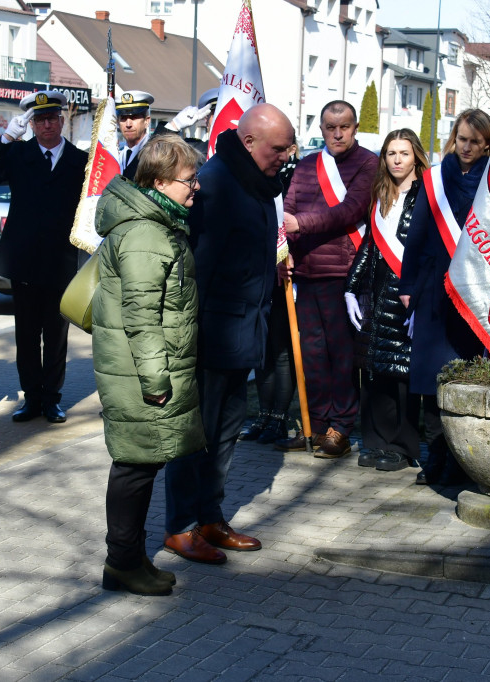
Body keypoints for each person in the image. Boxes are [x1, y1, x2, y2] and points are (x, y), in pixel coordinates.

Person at [163, 103, 295, 565]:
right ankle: (180, 526)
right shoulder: (218, 182)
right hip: (212, 334)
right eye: (279, 148)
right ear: (250, 142)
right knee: (194, 435)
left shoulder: (255, 181)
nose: (286, 155)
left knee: (224, 433)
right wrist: (192, 337)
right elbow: (199, 267)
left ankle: (210, 516)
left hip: (242, 333)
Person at [92, 135, 207, 595]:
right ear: (159, 183)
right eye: (188, 180)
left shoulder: (155, 224)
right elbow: (141, 316)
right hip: (141, 373)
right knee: (134, 467)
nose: (195, 187)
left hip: (141, 368)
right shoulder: (145, 234)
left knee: (139, 465)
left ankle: (130, 558)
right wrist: (157, 380)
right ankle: (121, 563)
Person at [0, 90, 89, 424]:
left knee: (56, 338)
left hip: (60, 263)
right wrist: (9, 136)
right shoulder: (19, 154)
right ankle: (31, 398)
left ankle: (52, 399)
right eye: (39, 120)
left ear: (62, 120)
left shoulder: (79, 160)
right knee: (26, 337)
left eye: (52, 118)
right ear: (32, 124)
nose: (46, 125)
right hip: (24, 262)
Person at [399, 109, 490, 485]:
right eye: (461, 139)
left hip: (477, 290)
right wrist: (408, 286)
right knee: (430, 378)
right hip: (433, 289)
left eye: (475, 140)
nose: (467, 147)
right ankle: (436, 454)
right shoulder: (435, 178)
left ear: (487, 142)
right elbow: (418, 232)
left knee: (465, 376)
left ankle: (462, 459)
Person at [277, 100, 378, 458]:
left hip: (343, 274)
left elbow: (350, 210)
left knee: (342, 355)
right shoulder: (306, 166)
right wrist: (283, 252)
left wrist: (300, 224)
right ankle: (316, 425)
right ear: (321, 130)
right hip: (305, 270)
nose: (337, 133)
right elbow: (288, 208)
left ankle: (341, 427)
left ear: (355, 128)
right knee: (313, 354)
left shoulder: (368, 163)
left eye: (345, 126)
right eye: (330, 127)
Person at [345, 129, 429, 472]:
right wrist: (351, 286)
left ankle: (402, 446)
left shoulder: (425, 194)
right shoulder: (380, 194)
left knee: (401, 374)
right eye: (391, 153)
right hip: (378, 292)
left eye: (403, 153)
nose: (396, 159)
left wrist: (422, 296)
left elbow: (427, 250)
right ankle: (376, 442)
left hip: (407, 293)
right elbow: (370, 246)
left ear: (416, 157)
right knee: (374, 371)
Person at [239, 144, 300, 445]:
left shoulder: (295, 176)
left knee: (281, 350)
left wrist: (285, 254)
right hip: (259, 272)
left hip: (285, 272)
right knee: (261, 350)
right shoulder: (254, 177)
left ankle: (279, 417)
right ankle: (263, 416)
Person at [117, 91, 153, 180]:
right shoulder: (117, 153)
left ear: (147, 121)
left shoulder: (156, 152)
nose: (128, 124)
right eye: (123, 118)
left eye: (134, 117)